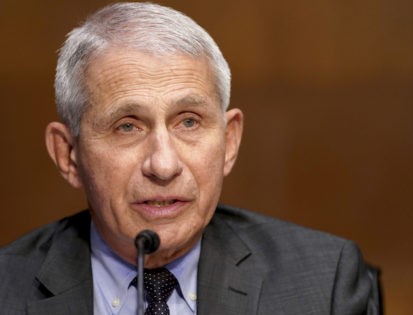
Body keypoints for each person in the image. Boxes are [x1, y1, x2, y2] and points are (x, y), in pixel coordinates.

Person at [0, 2, 380, 314]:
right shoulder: (7, 292)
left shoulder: (323, 281)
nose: (164, 166)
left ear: (229, 142)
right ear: (68, 155)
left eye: (189, 122)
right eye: (127, 127)